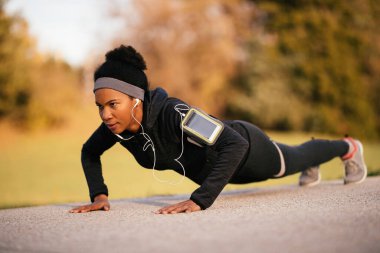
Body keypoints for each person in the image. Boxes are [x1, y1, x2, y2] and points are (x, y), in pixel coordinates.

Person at [69, 45, 367, 215]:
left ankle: (348, 147)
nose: (105, 114)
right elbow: (89, 152)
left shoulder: (176, 114)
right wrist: (99, 196)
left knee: (296, 158)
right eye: (99, 106)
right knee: (299, 158)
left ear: (136, 98)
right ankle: (314, 158)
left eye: (112, 104)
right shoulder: (116, 128)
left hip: (250, 151)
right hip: (223, 172)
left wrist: (200, 199)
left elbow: (234, 144)